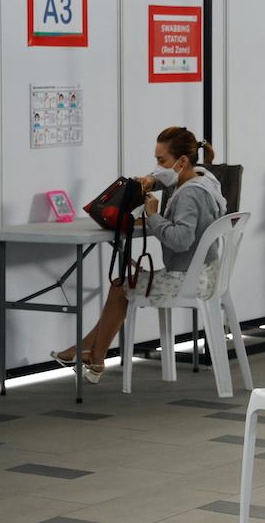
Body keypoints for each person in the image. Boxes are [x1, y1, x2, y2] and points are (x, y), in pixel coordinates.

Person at [51, 126, 226, 382]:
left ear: (182, 160)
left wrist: (154, 215)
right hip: (207, 273)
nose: (156, 165)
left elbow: (180, 240)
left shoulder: (189, 194)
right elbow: (164, 179)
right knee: (122, 285)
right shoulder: (205, 179)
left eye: (161, 159)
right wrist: (151, 180)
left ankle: (95, 356)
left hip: (186, 278)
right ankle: (87, 351)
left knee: (120, 287)